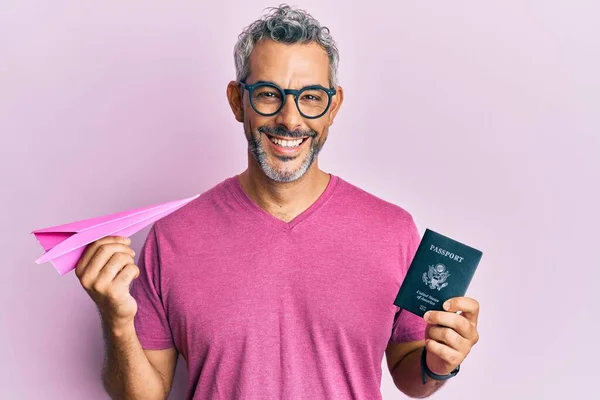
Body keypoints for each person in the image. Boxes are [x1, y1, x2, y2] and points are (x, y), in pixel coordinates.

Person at [74, 4, 480, 399]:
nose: (290, 118)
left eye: (311, 97)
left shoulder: (393, 230)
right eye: (269, 94)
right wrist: (118, 321)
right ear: (238, 101)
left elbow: (409, 375)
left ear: (333, 106)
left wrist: (438, 363)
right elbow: (143, 395)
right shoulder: (173, 236)